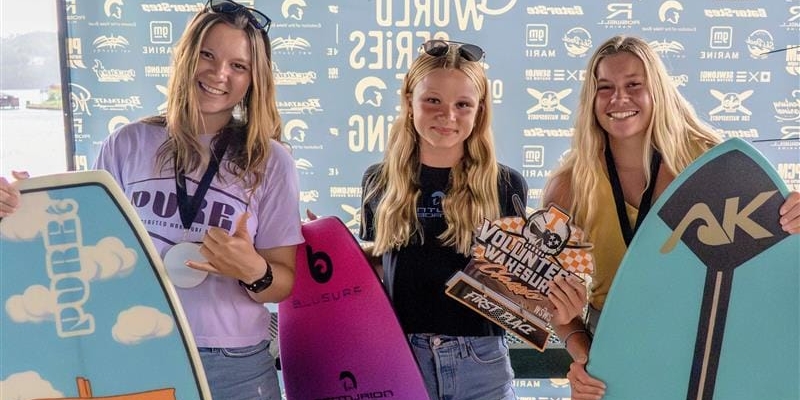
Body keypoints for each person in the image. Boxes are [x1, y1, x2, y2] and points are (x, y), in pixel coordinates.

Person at [1, 2, 302, 399]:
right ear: (185, 57)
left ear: (254, 80)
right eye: (207, 55)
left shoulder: (271, 160)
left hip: (233, 362)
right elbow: (81, 247)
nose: (218, 73)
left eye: (238, 65)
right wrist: (25, 209)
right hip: (136, 349)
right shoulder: (127, 144)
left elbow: (282, 283)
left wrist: (253, 269)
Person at [543, 35, 800, 400]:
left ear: (657, 90)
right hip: (618, 340)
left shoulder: (710, 164)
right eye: (605, 88)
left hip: (712, 336)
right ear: (591, 98)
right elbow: (547, 297)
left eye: (634, 85)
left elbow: (772, 264)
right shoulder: (570, 185)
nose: (619, 99)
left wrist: (793, 218)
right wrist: (586, 357)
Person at [358, 39, 527, 400]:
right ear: (408, 101)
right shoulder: (378, 180)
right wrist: (332, 250)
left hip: (482, 361)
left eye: (462, 105)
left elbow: (518, 285)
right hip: (402, 356)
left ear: (479, 111)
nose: (447, 116)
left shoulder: (505, 184)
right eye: (432, 100)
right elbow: (376, 265)